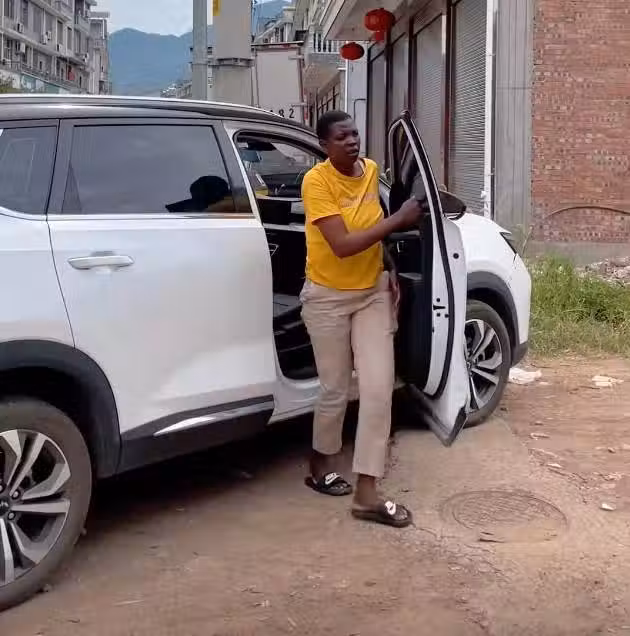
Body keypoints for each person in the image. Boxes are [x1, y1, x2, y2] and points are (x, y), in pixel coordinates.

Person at [300, 110, 423, 529]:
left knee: (377, 389)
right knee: (335, 390)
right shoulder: (316, 182)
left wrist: (390, 267)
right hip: (327, 298)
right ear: (324, 145)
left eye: (354, 134)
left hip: (372, 293)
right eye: (341, 137)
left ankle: (367, 492)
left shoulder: (370, 171)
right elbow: (342, 245)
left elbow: (373, 230)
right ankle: (320, 464)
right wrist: (399, 219)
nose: (352, 141)